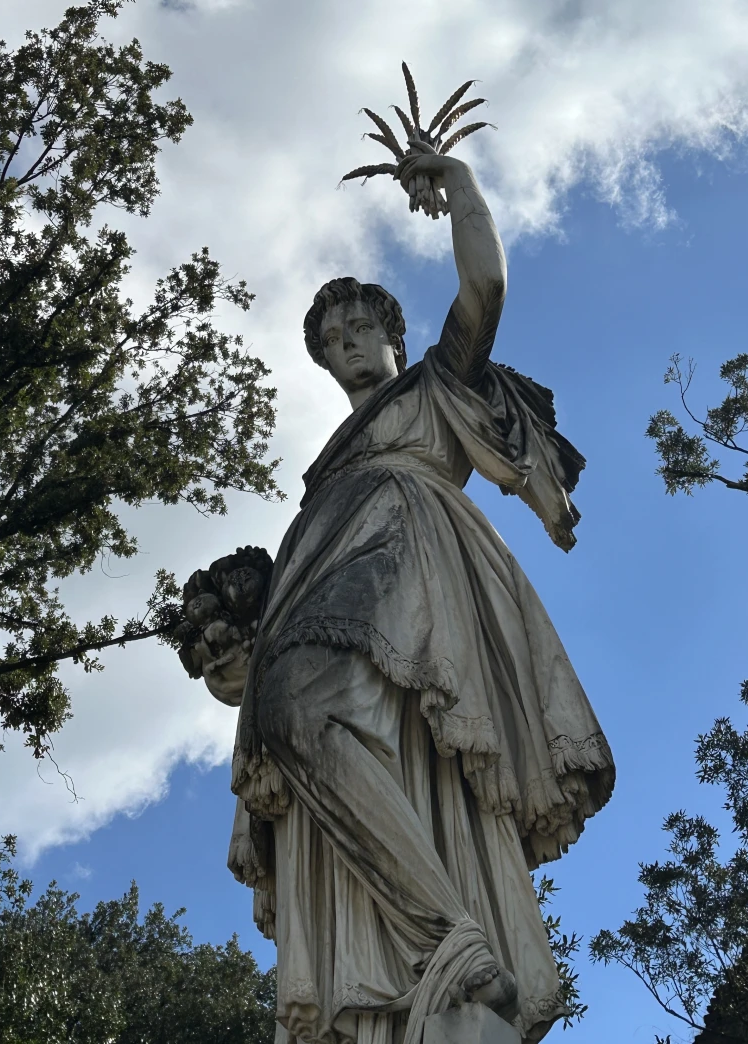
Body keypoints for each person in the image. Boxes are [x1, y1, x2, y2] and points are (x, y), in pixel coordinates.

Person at [225, 144, 614, 1044]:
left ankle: (450, 940)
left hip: (410, 552)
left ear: (390, 332)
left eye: (357, 328)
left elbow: (484, 290)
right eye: (329, 342)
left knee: (302, 708)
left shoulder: (432, 386)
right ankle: (419, 954)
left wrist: (463, 186)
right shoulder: (325, 470)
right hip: (327, 564)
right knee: (296, 723)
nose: (344, 346)